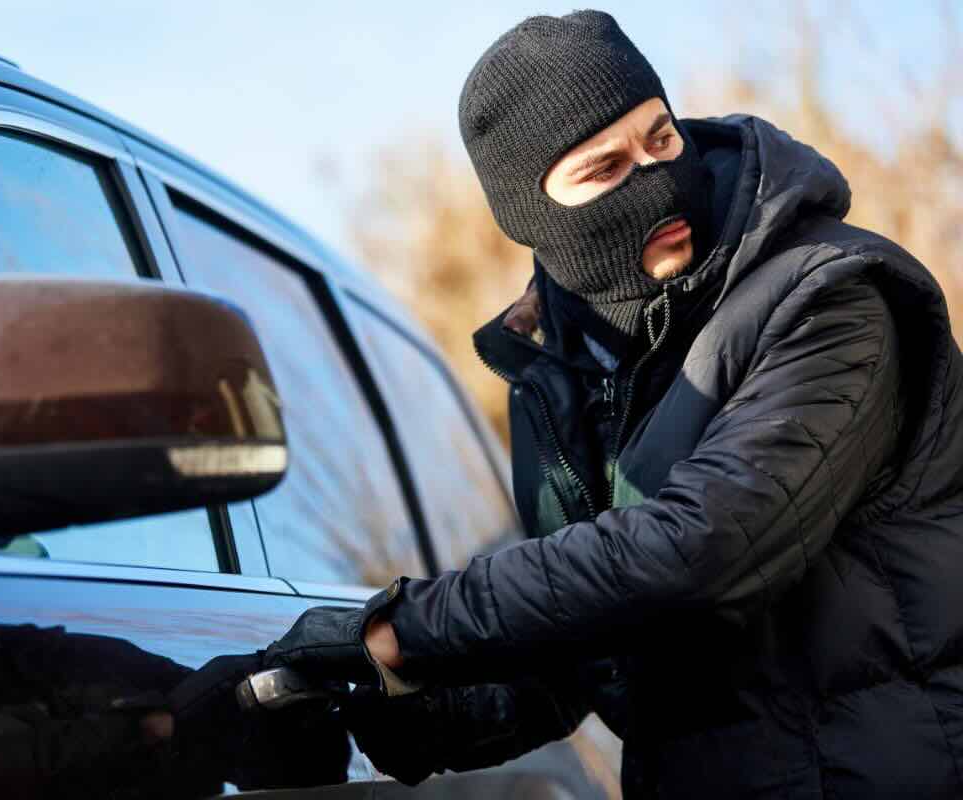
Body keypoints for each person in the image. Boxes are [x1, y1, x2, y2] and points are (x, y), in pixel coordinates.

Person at [229, 10, 963, 798]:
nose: (657, 181)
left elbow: (703, 548)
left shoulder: (832, 298)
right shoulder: (565, 374)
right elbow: (585, 652)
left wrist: (401, 629)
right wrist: (375, 721)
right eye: (606, 167)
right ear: (531, 215)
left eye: (661, 140)